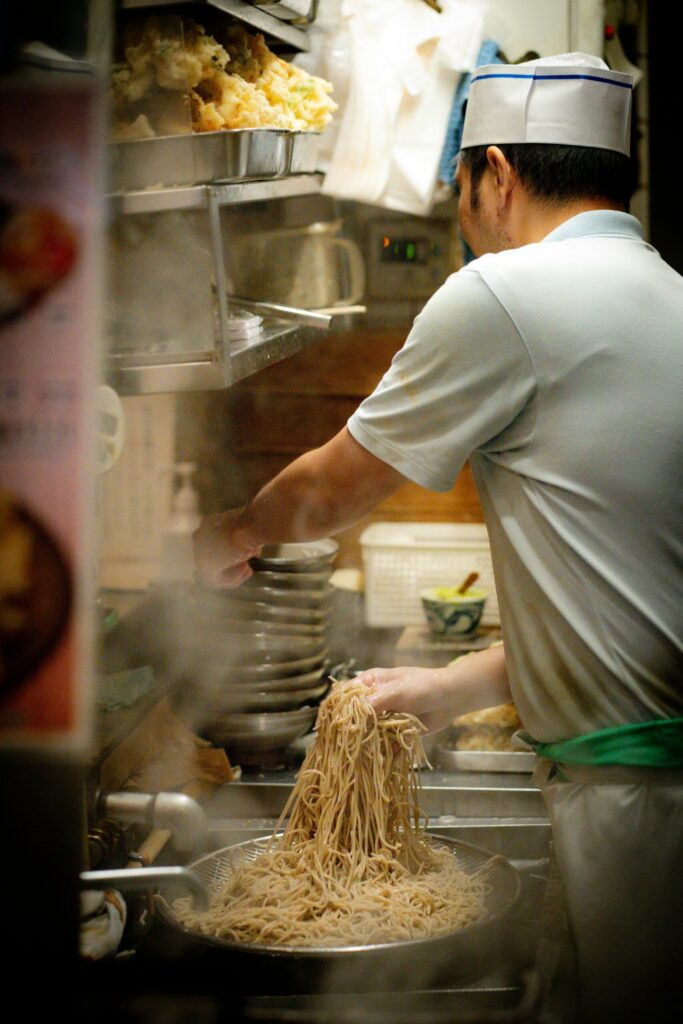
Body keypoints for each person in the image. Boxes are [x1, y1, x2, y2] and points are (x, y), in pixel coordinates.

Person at [193, 53, 683, 1023]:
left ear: (493, 175)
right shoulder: (665, 295)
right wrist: (450, 687)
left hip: (633, 813)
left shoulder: (505, 293)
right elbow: (629, 597)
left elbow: (336, 487)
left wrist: (232, 532)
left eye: (459, 185)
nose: (461, 217)